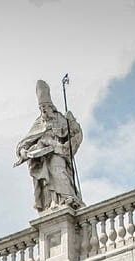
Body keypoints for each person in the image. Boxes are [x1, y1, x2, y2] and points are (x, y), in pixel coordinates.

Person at [16, 80, 83, 212]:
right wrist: (23, 151)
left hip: (58, 153)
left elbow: (76, 134)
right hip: (44, 158)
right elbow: (24, 143)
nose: (44, 110)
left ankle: (66, 199)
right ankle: (53, 203)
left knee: (59, 173)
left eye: (45, 107)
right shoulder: (39, 123)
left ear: (51, 107)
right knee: (47, 181)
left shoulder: (61, 119)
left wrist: (72, 121)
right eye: (41, 108)